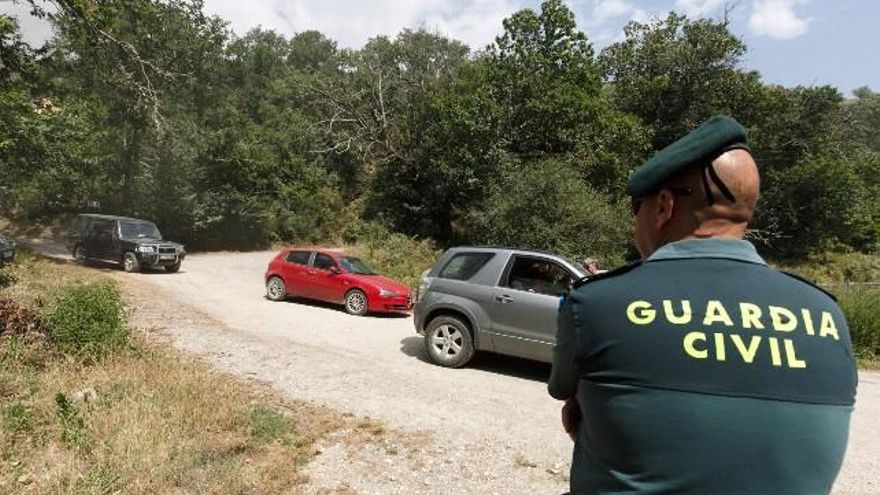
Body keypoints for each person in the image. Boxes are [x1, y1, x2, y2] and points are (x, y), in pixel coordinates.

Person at [548, 115, 857, 494]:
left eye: (637, 208)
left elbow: (571, 402)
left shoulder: (597, 302)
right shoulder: (828, 315)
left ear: (663, 206)